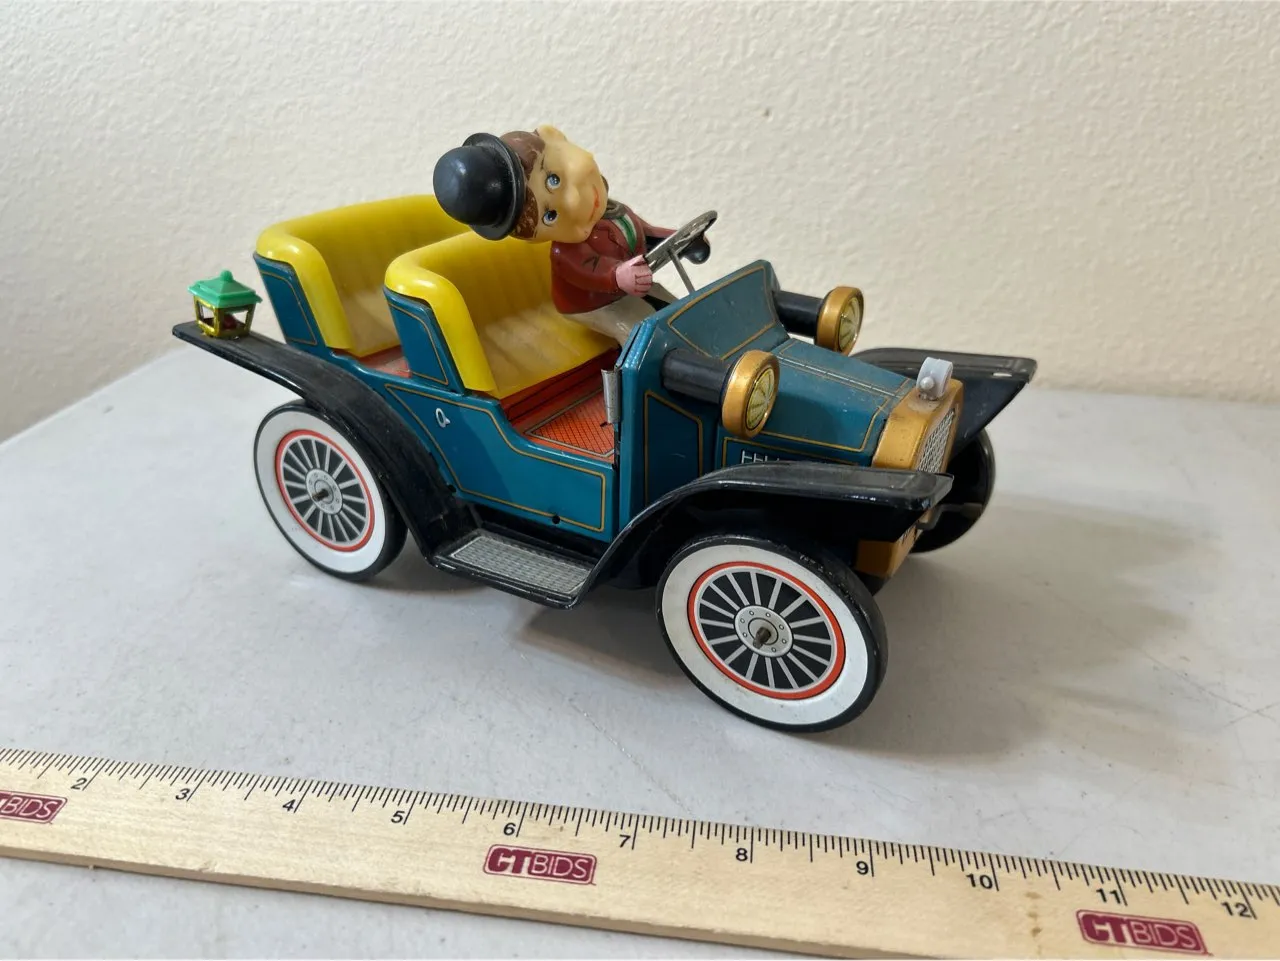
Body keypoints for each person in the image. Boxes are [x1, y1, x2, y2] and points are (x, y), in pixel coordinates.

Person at [432, 125, 709, 344]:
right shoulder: (566, 251)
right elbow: (591, 270)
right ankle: (646, 388)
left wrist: (683, 240)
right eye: (550, 216)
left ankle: (704, 344)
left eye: (554, 179)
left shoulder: (614, 212)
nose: (574, 202)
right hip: (593, 303)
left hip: (626, 286)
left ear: (554, 136)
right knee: (638, 333)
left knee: (677, 309)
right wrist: (617, 276)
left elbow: (645, 233)